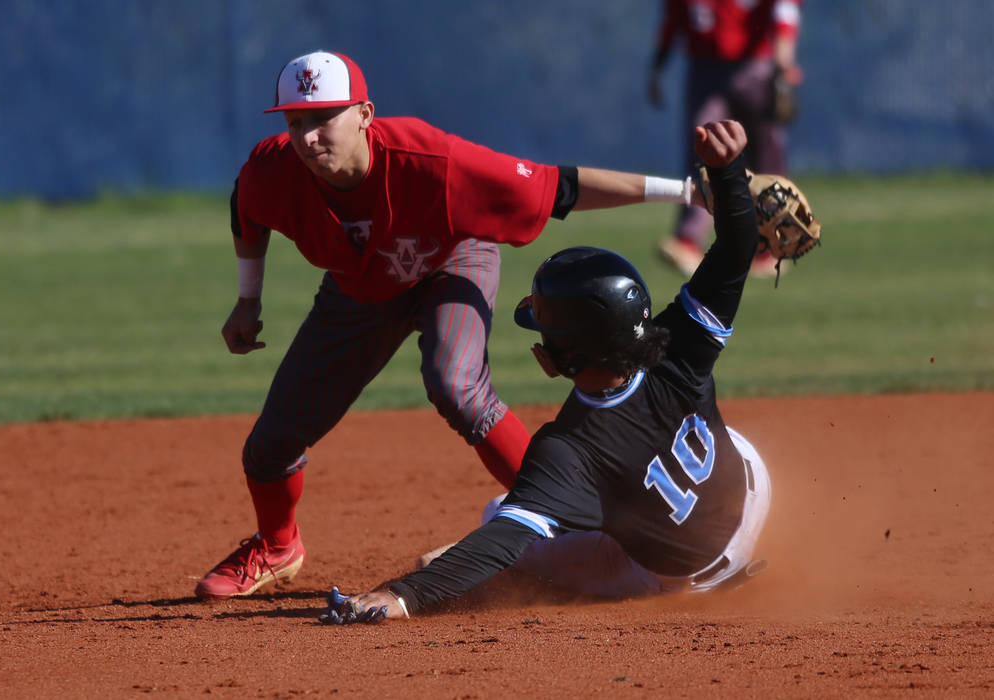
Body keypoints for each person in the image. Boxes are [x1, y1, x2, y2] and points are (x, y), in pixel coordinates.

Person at [195, 50, 714, 599]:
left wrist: (687, 192)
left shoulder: (433, 161)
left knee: (457, 386)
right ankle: (277, 548)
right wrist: (247, 300)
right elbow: (245, 208)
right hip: (360, 287)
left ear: (366, 115)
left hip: (452, 256)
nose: (308, 137)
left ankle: (582, 527)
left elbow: (557, 186)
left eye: (325, 118)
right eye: (295, 121)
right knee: (270, 444)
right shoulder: (273, 170)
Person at [322, 119, 772, 624]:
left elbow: (503, 539)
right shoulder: (679, 346)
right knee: (674, 449)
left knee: (501, 514)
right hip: (753, 491)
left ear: (555, 361)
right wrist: (728, 171)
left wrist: (405, 594)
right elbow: (737, 248)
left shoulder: (569, 448)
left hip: (690, 573)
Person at [649, 0, 803, 279]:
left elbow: (785, 9)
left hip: (756, 64)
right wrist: (658, 65)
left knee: (766, 158)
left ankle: (770, 244)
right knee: (703, 150)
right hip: (705, 67)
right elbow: (674, 19)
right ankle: (689, 239)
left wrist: (783, 69)